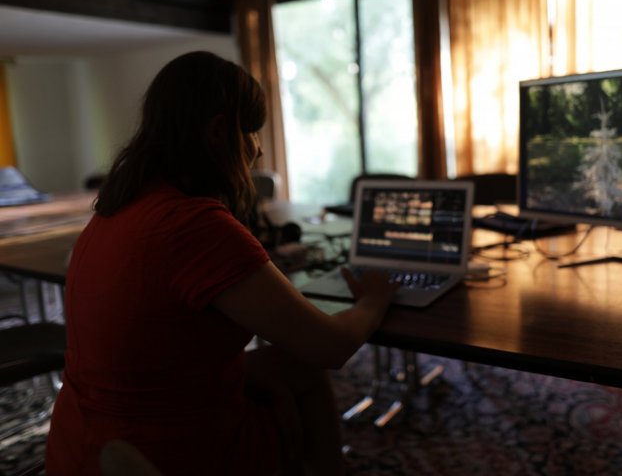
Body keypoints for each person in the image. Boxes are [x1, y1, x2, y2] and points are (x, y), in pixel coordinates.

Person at [45, 51, 399, 475]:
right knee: (306, 365)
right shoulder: (194, 225)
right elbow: (330, 346)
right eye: (250, 131)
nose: (258, 148)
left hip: (83, 447)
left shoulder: (117, 209)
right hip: (163, 454)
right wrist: (373, 302)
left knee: (291, 368)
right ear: (218, 132)